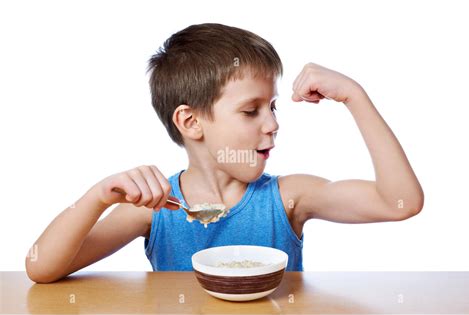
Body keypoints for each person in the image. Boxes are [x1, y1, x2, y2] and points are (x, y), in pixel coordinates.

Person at [26, 23, 423, 283]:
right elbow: (41, 267)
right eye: (251, 110)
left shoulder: (288, 198)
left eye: (273, 107)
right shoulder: (157, 206)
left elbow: (399, 203)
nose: (272, 124)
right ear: (191, 122)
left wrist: (355, 96)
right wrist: (98, 197)